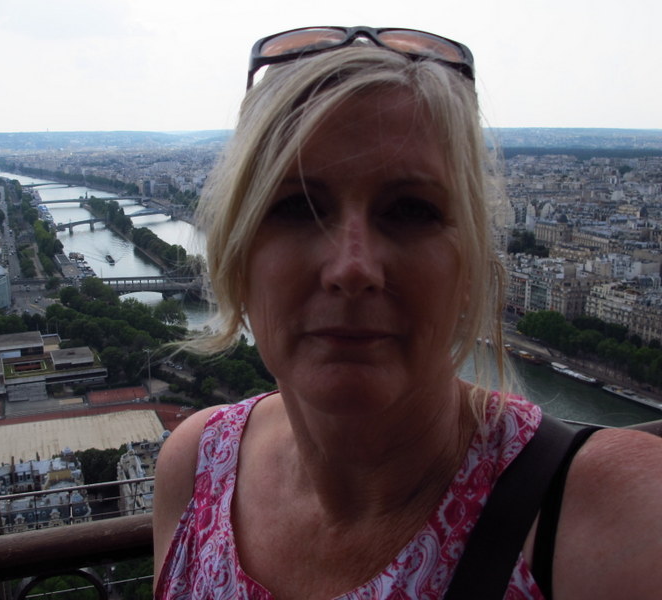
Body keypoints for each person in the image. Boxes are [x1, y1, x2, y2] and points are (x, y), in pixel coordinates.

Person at [152, 26, 662, 599]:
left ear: (469, 265)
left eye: (411, 210)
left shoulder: (623, 517)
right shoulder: (192, 463)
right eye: (296, 207)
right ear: (236, 254)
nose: (352, 267)